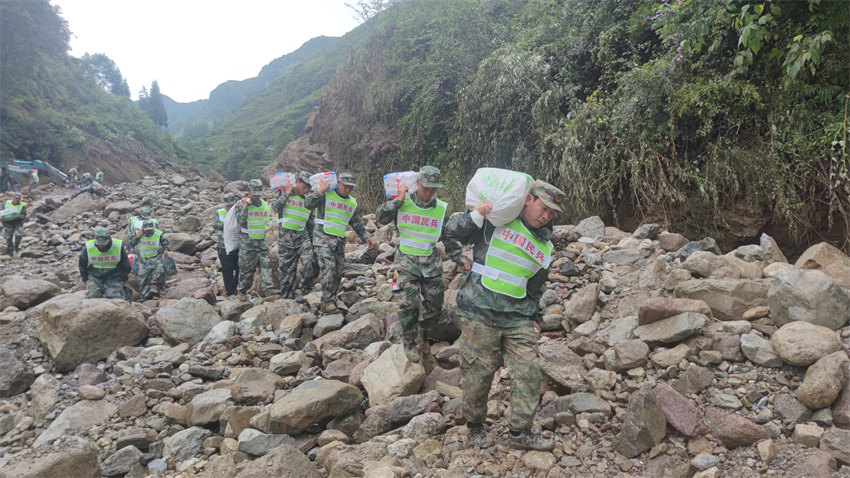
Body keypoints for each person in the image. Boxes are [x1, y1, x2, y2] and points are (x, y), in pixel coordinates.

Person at [445, 179, 566, 451]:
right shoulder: (496, 220)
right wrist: (477, 213)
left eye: (551, 213)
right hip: (480, 312)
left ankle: (519, 432)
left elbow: (535, 287)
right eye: (542, 207)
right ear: (528, 200)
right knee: (478, 375)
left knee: (529, 373)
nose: (545, 216)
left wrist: (533, 316)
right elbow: (451, 231)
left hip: (518, 319)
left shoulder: (544, 245)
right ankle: (475, 425)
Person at [375, 165, 464, 362]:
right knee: (408, 302)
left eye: (434, 189)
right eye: (426, 188)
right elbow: (380, 217)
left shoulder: (440, 209)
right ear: (417, 184)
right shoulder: (403, 201)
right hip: (406, 261)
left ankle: (423, 333)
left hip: (431, 263)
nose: (430, 193)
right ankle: (409, 341)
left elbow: (447, 238)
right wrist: (398, 200)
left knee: (435, 306)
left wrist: (459, 258)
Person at [305, 172, 373, 314]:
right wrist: (319, 191)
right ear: (338, 183)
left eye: (350, 187)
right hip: (322, 238)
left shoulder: (351, 202)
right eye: (345, 186)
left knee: (338, 271)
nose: (347, 189)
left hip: (338, 241)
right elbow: (308, 204)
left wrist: (366, 236)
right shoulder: (326, 194)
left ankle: (323, 291)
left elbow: (356, 222)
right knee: (328, 267)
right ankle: (327, 302)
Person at [272, 171, 317, 299]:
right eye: (305, 186)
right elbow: (275, 207)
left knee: (309, 260)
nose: (307, 189)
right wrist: (286, 193)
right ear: (297, 182)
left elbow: (310, 223)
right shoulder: (284, 194)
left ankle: (304, 288)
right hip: (286, 240)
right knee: (287, 273)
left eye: (309, 187)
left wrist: (312, 241)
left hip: (303, 237)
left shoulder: (307, 201)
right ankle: (288, 298)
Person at [234, 179, 274, 301]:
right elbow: (240, 221)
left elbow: (266, 221)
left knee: (266, 264)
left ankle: (269, 289)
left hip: (261, 241)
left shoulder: (264, 205)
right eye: (254, 193)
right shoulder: (240, 204)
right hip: (247, 242)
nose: (256, 196)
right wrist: (245, 208)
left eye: (258, 193)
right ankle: (242, 291)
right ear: (248, 191)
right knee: (247, 269)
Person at [79, 227, 131, 300]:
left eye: (103, 244)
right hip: (95, 276)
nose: (100, 246)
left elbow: (125, 265)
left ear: (109, 240)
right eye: (99, 244)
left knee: (115, 298)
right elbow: (82, 264)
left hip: (114, 276)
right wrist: (85, 279)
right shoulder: (88, 247)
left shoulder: (118, 246)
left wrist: (123, 278)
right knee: (92, 296)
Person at [127, 219, 169, 300]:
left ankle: (160, 288)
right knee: (143, 277)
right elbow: (130, 244)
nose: (148, 232)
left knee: (160, 272)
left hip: (155, 256)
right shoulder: (138, 234)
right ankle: (144, 295)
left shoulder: (158, 233)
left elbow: (164, 243)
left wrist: (166, 250)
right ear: (143, 228)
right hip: (142, 258)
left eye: (150, 230)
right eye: (146, 230)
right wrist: (137, 237)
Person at [213, 192, 239, 296]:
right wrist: (228, 224)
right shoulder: (220, 212)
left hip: (237, 246)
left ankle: (238, 288)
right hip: (223, 246)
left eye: (231, 205)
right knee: (227, 270)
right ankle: (230, 292)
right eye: (228, 205)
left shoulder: (238, 212)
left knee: (239, 268)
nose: (229, 207)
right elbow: (215, 225)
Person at [1, 192, 26, 256]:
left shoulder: (22, 205)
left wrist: (19, 216)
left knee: (19, 235)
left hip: (17, 222)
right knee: (8, 237)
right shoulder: (6, 203)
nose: (17, 199)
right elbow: (1, 211)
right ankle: (10, 251)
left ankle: (16, 246)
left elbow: (24, 215)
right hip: (7, 223)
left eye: (18, 198)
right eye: (15, 198)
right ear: (12, 197)